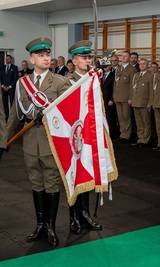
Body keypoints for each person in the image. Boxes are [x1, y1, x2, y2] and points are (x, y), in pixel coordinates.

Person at [6, 37, 70, 246]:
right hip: (30, 142)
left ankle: (50, 226)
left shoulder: (61, 83)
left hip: (52, 141)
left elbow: (68, 114)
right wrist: (3, 140)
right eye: (41, 55)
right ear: (32, 59)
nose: (46, 58)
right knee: (36, 182)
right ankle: (40, 224)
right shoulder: (22, 83)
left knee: (51, 183)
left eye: (48, 55)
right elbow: (16, 113)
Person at [67, 40, 103, 234]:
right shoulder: (67, 81)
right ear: (74, 60)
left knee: (87, 173)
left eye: (90, 57)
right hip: (74, 136)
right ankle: (74, 217)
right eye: (84, 57)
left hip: (89, 135)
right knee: (74, 177)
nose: (88, 60)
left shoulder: (94, 78)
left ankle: (85, 214)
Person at [128, 58, 152, 147]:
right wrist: (131, 98)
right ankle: (140, 138)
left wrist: (150, 102)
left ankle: (145, 140)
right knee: (139, 122)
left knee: (146, 122)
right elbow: (132, 88)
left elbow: (151, 91)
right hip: (136, 101)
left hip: (144, 102)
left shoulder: (150, 75)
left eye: (144, 64)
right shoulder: (136, 75)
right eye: (140, 64)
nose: (142, 65)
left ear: (147, 65)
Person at [114, 51, 136, 143]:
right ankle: (122, 133)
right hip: (118, 96)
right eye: (122, 56)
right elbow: (115, 83)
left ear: (129, 58)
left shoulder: (132, 69)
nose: (123, 58)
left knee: (126, 117)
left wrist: (130, 97)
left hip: (126, 97)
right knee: (120, 117)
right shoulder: (119, 69)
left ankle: (126, 135)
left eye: (125, 56)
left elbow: (132, 85)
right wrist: (114, 96)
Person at [0, 55, 19, 120]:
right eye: (6, 59)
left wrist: (10, 86)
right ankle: (7, 116)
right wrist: (2, 86)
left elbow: (15, 78)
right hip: (3, 88)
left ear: (11, 60)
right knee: (5, 102)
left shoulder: (14, 67)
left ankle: (12, 116)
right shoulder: (2, 67)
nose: (7, 60)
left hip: (11, 88)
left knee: (12, 102)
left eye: (8, 59)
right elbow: (1, 78)